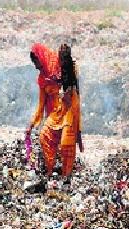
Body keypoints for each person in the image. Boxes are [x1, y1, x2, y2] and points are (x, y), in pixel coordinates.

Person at [26, 43, 83, 179]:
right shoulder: (42, 79)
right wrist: (32, 124)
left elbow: (73, 77)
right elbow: (40, 105)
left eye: (36, 62)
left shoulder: (60, 63)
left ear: (42, 57)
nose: (36, 66)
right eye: (34, 63)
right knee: (44, 136)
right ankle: (50, 170)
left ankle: (66, 175)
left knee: (65, 143)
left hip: (69, 109)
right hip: (55, 114)